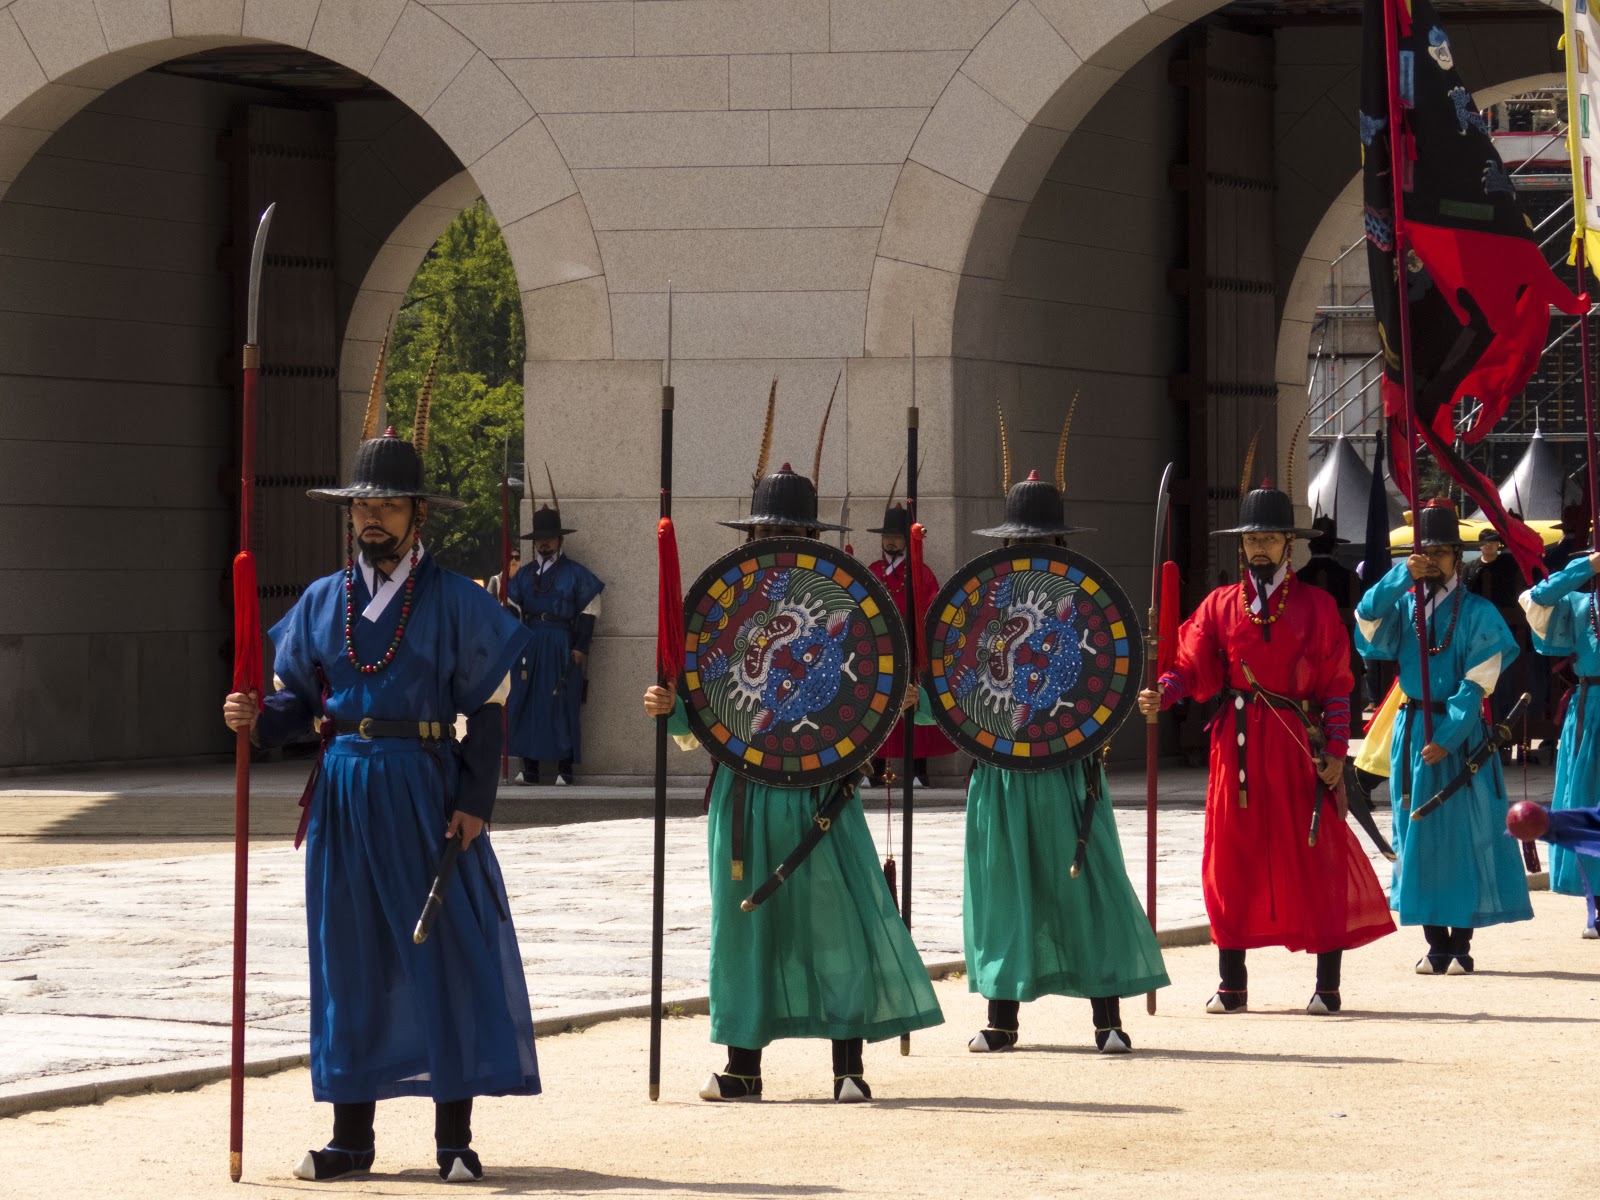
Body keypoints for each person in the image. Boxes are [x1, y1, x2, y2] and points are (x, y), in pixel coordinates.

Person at [220, 375, 538, 1183]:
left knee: (446, 953)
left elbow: (490, 710)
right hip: (343, 795)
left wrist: (474, 803)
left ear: (417, 515)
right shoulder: (323, 600)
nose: (371, 518)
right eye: (361, 507)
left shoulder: (458, 601)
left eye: (388, 506)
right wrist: (256, 714)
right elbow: (299, 703)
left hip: (425, 788)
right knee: (348, 960)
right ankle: (351, 1138)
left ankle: (453, 1140)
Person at [643, 408, 942, 1103]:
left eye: (788, 533)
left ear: (812, 539)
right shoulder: (722, 613)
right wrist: (669, 710)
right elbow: (700, 700)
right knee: (743, 927)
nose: (776, 542)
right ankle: (742, 1065)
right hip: (743, 792)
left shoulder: (852, 608)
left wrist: (903, 699)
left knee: (835, 926)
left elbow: (904, 691)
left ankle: (848, 1067)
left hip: (823, 791)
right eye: (766, 534)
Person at [1138, 480, 1394, 1015]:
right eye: (1251, 538)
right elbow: (1190, 666)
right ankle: (1232, 983)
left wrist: (1337, 753)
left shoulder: (1318, 607)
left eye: (1271, 538)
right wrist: (1164, 692)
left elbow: (1337, 683)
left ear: (1288, 544)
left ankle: (1328, 984)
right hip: (1236, 748)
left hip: (1300, 743)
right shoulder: (1219, 605)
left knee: (1315, 854)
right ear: (1241, 545)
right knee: (1229, 859)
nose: (1259, 548)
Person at [959, 448, 1168, 1055]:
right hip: (998, 772)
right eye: (1023, 542)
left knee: (1089, 886)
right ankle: (1001, 1020)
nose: (1032, 551)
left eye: (1044, 540)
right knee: (1004, 891)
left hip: (1069, 768)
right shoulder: (978, 607)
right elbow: (958, 686)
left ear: (1060, 543)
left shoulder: (1086, 606)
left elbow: (1105, 680)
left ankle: (1108, 1019)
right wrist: (921, 699)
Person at [1354, 499, 1532, 973]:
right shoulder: (1405, 607)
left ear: (1458, 555)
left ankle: (1462, 944)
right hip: (1412, 730)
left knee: (1464, 832)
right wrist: (1398, 578)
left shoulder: (1478, 612)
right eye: (1424, 552)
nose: (1432, 560)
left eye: (1441, 552)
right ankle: (1435, 944)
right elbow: (1366, 621)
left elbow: (1479, 681)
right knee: (1418, 831)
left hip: (1463, 734)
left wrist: (1449, 735)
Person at [1519, 548, 1600, 936]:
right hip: (1593, 709)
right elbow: (1537, 598)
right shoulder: (1579, 602)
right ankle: (1595, 904)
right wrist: (1585, 568)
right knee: (1587, 801)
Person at [507, 472, 603, 786]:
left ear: (560, 540)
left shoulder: (576, 574)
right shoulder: (523, 575)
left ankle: (565, 768)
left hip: (563, 644)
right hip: (529, 645)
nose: (544, 542)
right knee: (526, 702)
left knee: (562, 703)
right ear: (534, 542)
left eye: (550, 538)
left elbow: (590, 609)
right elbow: (511, 609)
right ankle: (529, 767)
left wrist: (580, 647)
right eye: (539, 538)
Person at [865, 498, 957, 787]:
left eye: (896, 537)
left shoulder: (921, 573)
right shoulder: (872, 570)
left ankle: (918, 770)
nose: (890, 542)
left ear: (906, 540)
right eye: (886, 537)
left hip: (911, 650)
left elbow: (932, 609)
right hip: (880, 652)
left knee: (916, 707)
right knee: (876, 708)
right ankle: (874, 767)